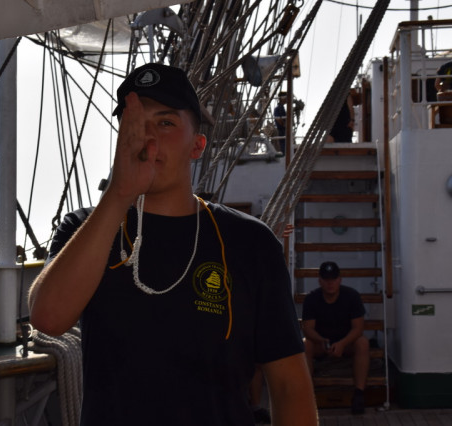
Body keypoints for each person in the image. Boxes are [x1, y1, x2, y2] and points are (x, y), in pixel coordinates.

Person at [29, 63, 317, 426]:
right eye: (134, 123)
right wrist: (119, 193)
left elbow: (290, 386)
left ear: (197, 146)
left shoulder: (251, 243)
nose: (147, 137)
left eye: (165, 123)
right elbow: (48, 318)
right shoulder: (84, 230)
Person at [302, 261, 369, 414]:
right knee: (305, 345)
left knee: (363, 343)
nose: (330, 283)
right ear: (320, 281)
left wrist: (342, 343)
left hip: (347, 343)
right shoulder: (311, 299)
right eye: (326, 279)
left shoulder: (352, 296)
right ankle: (307, 396)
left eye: (333, 279)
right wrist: (321, 340)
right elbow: (308, 329)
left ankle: (359, 394)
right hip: (321, 343)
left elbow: (358, 328)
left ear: (340, 280)